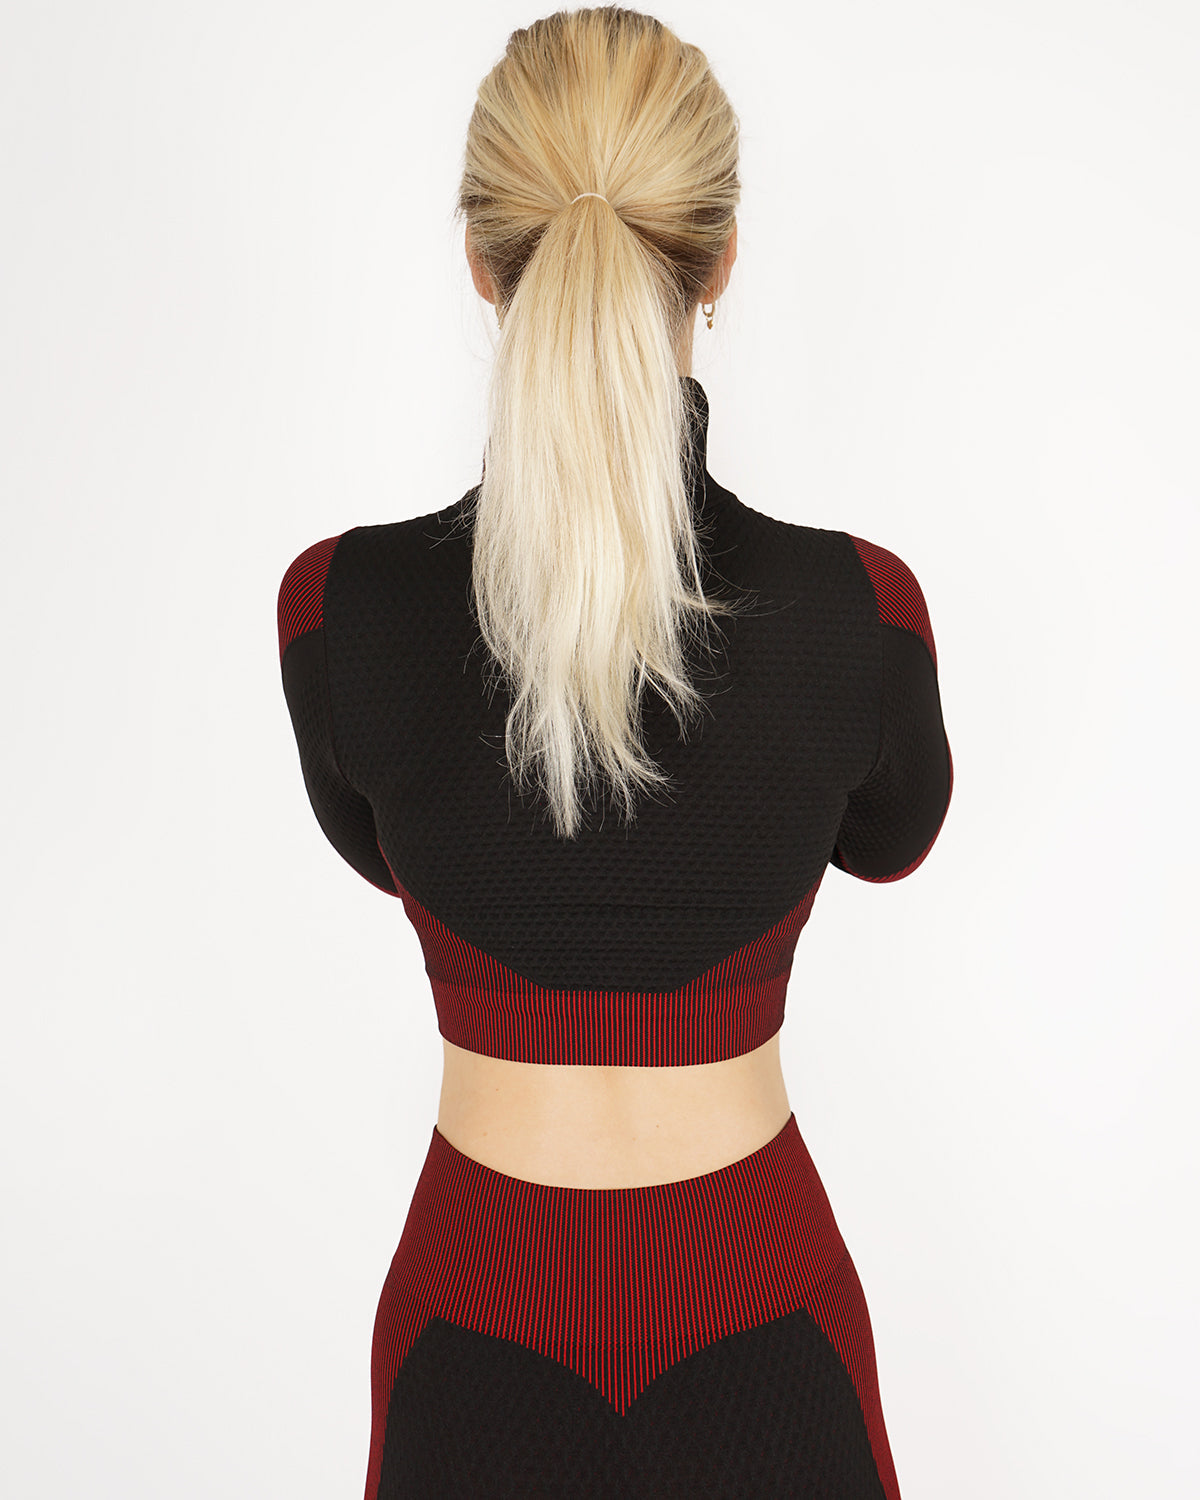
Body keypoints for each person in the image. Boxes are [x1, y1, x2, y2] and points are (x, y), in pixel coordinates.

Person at [276, 8, 952, 1497]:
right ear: (721, 264)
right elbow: (897, 840)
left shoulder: (339, 608)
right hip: (763, 1306)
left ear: (480, 261)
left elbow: (383, 848)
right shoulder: (861, 611)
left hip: (473, 1308)